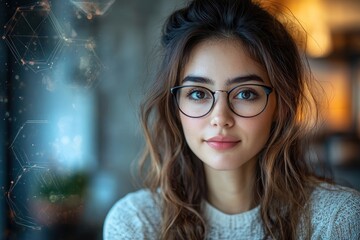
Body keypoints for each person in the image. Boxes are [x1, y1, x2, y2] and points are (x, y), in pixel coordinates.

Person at [103, 0, 360, 239]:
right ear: (175, 107)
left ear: (281, 105)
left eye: (246, 93)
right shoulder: (136, 223)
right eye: (198, 93)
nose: (220, 118)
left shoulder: (337, 220)